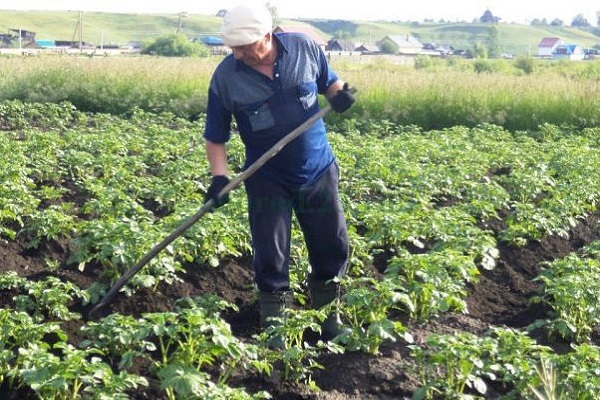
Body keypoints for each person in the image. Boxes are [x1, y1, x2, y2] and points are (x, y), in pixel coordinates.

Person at [203, 3, 355, 346]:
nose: (238, 54)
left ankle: (328, 324)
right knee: (270, 254)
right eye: (234, 48)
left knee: (331, 244)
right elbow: (216, 136)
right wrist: (219, 178)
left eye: (245, 46)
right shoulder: (226, 78)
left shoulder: (304, 48)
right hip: (266, 178)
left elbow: (329, 82)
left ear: (267, 36)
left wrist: (341, 94)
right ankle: (276, 332)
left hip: (317, 170)